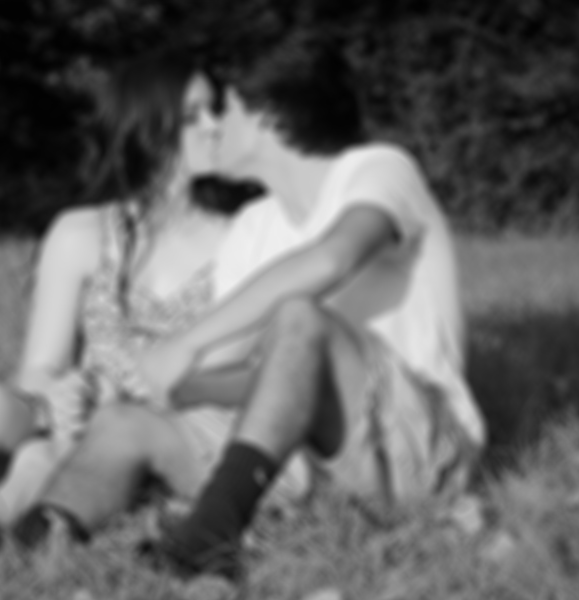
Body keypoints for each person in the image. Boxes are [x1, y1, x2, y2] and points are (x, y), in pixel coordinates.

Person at [0, 48, 255, 560]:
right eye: (193, 116)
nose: (215, 126)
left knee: (43, 456)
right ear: (147, 127)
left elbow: (228, 381)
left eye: (214, 110)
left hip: (151, 433)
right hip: (69, 417)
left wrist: (120, 401)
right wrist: (63, 392)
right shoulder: (81, 233)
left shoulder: (243, 239)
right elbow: (38, 369)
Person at [133, 30, 487, 579]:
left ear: (267, 115)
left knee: (300, 316)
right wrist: (167, 382)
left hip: (421, 451)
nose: (212, 126)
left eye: (223, 108)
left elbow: (332, 260)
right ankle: (32, 533)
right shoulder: (254, 225)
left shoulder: (380, 169)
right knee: (123, 422)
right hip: (327, 463)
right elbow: (244, 372)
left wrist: (187, 342)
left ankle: (210, 534)